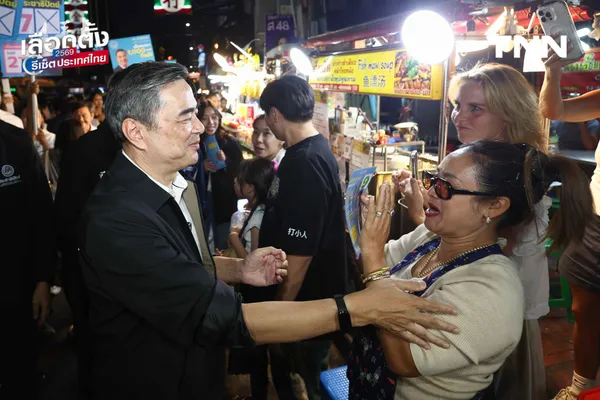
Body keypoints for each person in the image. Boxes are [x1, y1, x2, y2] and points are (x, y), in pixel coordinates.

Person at [79, 61, 460, 400]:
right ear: (136, 131)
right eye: (185, 117)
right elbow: (223, 318)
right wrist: (356, 308)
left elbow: (175, 263)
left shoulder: (177, 184)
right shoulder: (117, 219)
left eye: (196, 113)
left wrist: (236, 269)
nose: (199, 126)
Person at [351, 140, 594, 399]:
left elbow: (404, 360)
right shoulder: (430, 238)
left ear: (494, 206)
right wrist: (361, 234)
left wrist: (373, 256)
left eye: (445, 186)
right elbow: (371, 264)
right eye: (433, 179)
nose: (430, 192)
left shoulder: (492, 289)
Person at [394, 62, 550, 400]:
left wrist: (423, 213)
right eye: (457, 106)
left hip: (487, 316)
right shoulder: (470, 162)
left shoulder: (517, 180)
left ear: (508, 115)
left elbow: (475, 250)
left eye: (475, 108)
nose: (459, 117)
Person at [258, 75, 356, 400]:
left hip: (305, 307)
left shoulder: (305, 163)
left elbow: (299, 257)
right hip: (310, 303)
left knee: (305, 384)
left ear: (275, 114)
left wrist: (277, 317)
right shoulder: (311, 149)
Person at [540, 50, 600, 400]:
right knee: (582, 308)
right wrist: (553, 72)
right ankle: (581, 386)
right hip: (596, 220)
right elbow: (554, 110)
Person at [0, 119, 56, 400]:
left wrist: (44, 280)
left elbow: (42, 215)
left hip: (16, 283)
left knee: (20, 368)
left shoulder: (16, 142)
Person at [199, 100, 243, 252]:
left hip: (224, 202)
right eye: (204, 118)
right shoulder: (193, 142)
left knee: (223, 241)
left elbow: (240, 170)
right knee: (201, 237)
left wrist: (226, 162)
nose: (210, 122)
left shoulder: (230, 142)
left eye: (214, 117)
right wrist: (201, 166)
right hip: (202, 199)